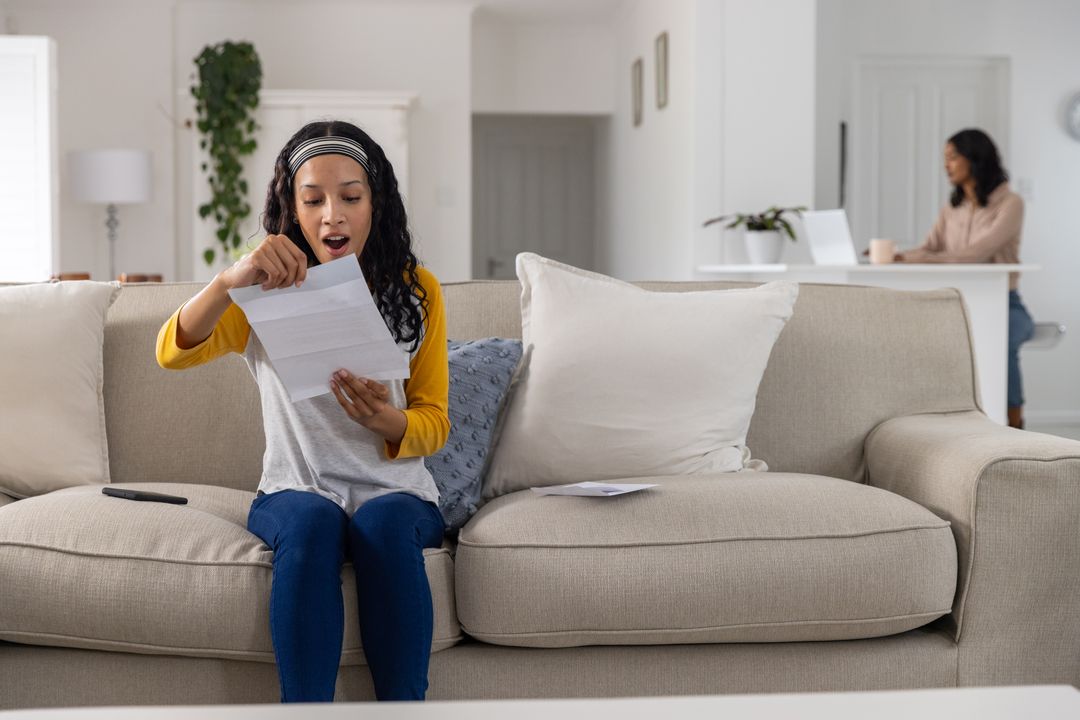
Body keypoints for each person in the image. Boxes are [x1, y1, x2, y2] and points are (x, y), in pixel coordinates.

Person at [156, 120, 450, 702]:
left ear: (376, 204)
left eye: (350, 197)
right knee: (314, 525)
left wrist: (384, 422)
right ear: (292, 206)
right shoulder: (260, 292)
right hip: (296, 487)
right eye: (312, 199)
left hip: (395, 492)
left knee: (382, 524)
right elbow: (171, 352)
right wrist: (230, 280)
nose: (332, 215)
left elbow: (434, 422)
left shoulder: (417, 290)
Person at [895, 128, 1034, 429]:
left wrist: (918, 258)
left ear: (975, 159)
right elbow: (929, 248)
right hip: (953, 302)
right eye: (945, 158)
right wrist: (898, 255)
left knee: (1003, 340)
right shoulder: (951, 208)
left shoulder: (1011, 203)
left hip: (1005, 304)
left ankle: (1013, 423)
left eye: (952, 157)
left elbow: (975, 254)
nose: (947, 165)